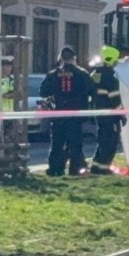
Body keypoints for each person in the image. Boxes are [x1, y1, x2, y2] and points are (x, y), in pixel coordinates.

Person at [40, 45, 95, 177]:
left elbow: (43, 92)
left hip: (58, 114)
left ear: (61, 58)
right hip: (75, 115)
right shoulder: (82, 73)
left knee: (57, 144)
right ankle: (75, 169)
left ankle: (55, 169)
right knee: (75, 143)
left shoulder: (53, 74)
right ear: (74, 58)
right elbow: (93, 91)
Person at [90, 45, 123, 175]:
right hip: (110, 114)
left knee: (103, 139)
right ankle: (104, 167)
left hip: (98, 112)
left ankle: (96, 166)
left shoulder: (95, 74)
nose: (117, 63)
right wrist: (122, 115)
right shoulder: (111, 77)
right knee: (111, 140)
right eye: (116, 60)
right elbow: (115, 98)